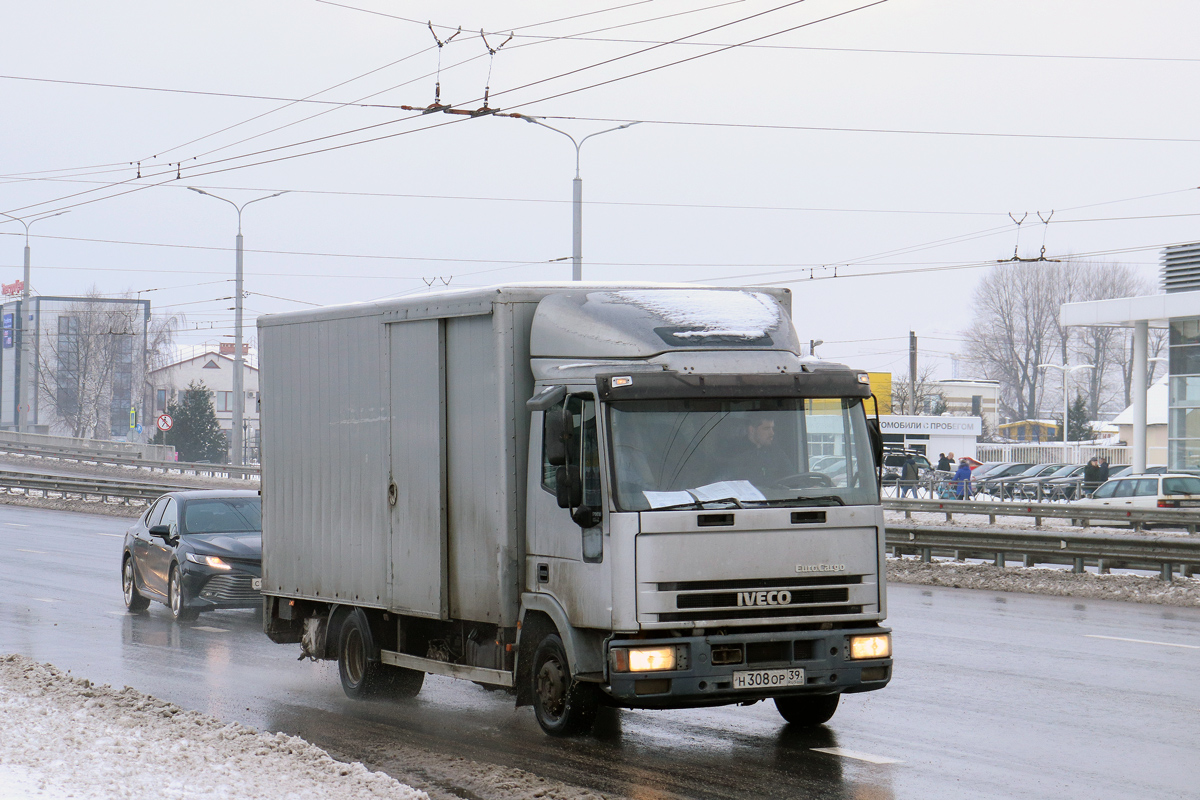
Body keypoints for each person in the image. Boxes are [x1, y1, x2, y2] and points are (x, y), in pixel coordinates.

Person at [726, 416, 794, 486]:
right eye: (766, 428)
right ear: (752, 430)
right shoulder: (735, 453)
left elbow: (792, 479)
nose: (772, 433)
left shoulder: (776, 452)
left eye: (772, 428)